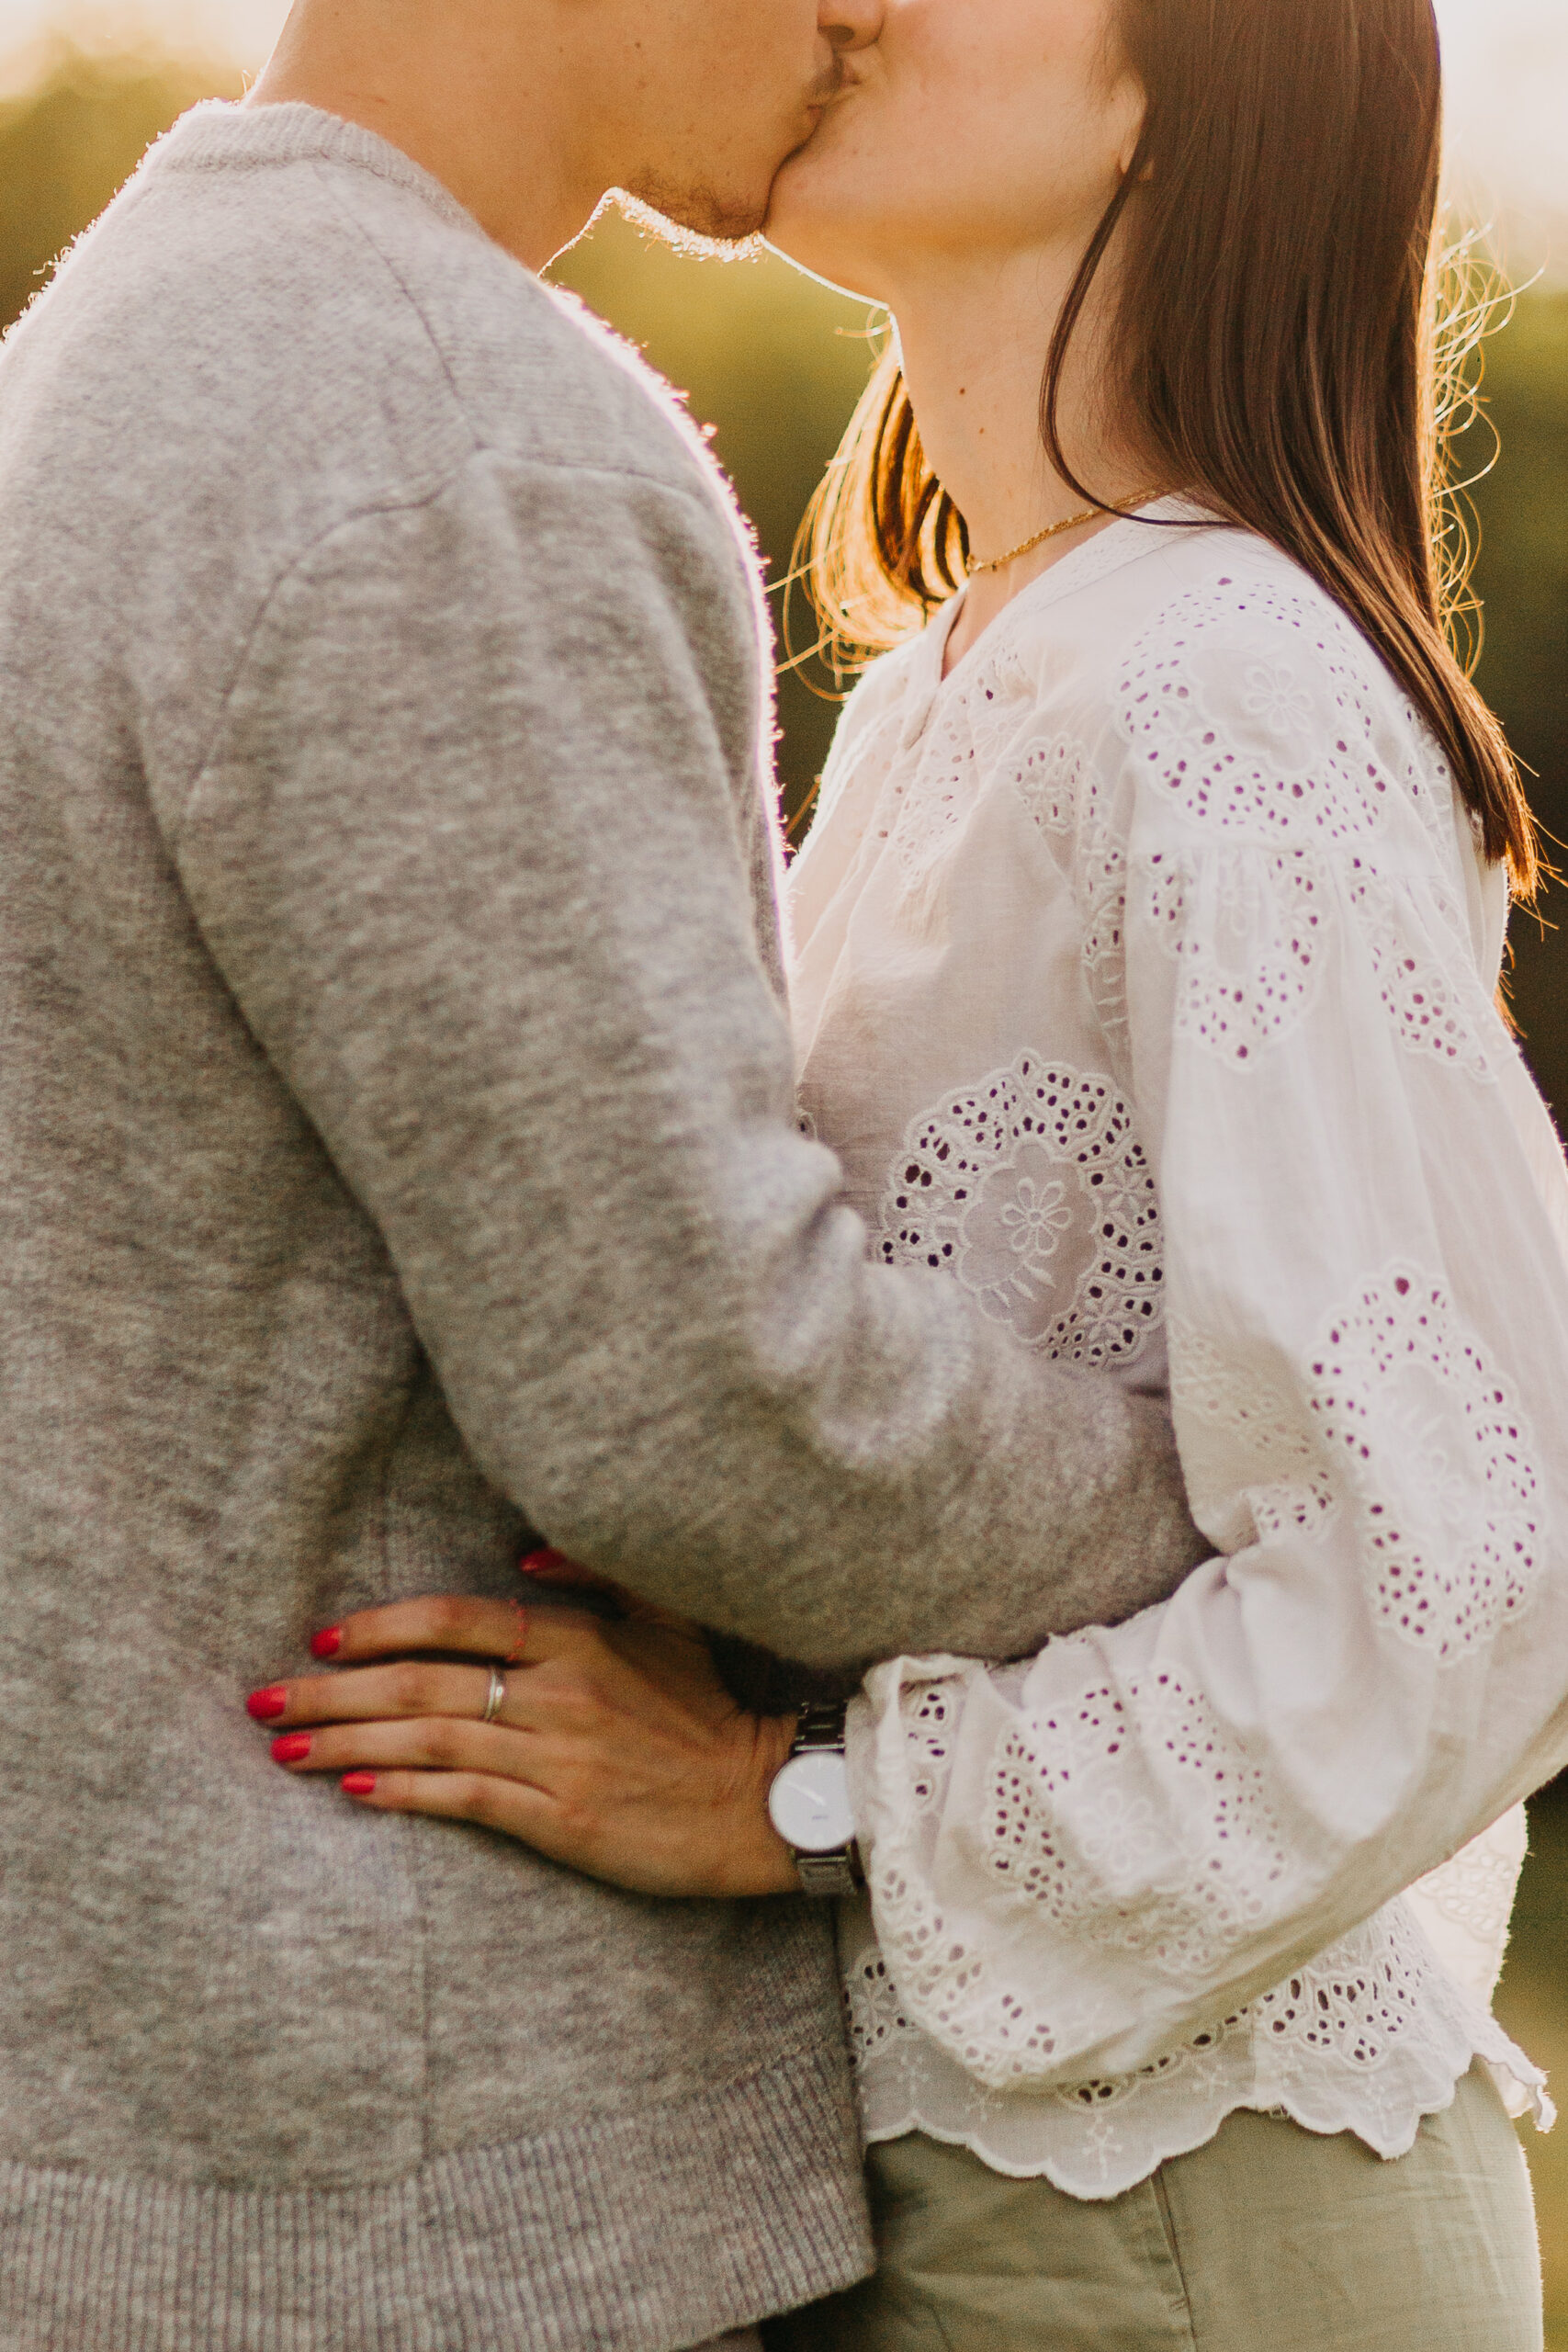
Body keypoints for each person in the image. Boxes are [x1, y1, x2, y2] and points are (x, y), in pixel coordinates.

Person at [272, 0, 1568, 2346]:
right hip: (989, 2189)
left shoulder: (1220, 682)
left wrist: (791, 1796)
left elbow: (1475, 1562)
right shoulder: (953, 681)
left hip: (1174, 2217)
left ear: (1188, 74)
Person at [0, 0, 1225, 2345]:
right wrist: (1231, 1503)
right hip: (423, 2195)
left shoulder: (113, 346)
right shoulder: (450, 440)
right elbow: (697, 1398)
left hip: (184, 2132)